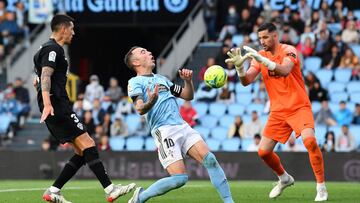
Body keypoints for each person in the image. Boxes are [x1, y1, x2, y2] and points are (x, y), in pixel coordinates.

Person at [33, 14, 135, 203]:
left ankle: (54, 190)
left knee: (82, 152)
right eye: (71, 28)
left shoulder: (44, 49)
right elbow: (45, 76)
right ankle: (110, 189)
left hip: (55, 106)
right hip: (57, 107)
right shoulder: (54, 49)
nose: (73, 32)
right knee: (88, 144)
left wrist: (42, 93)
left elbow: (38, 79)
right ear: (63, 29)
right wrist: (47, 103)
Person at [225, 23, 328, 201]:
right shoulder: (259, 56)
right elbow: (246, 80)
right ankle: (284, 178)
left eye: (265, 37)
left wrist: (263, 60)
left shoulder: (289, 50)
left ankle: (321, 187)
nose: (262, 41)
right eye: (260, 38)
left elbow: (285, 70)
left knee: (309, 141)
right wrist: (240, 68)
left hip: (299, 106)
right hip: (278, 111)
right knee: (263, 152)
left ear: (275, 35)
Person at [124, 46, 234, 203]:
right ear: (135, 62)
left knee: (210, 160)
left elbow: (188, 96)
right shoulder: (135, 82)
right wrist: (151, 101)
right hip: (164, 131)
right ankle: (141, 197)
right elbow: (140, 108)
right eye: (143, 52)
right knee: (180, 179)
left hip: (182, 126)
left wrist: (188, 82)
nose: (149, 53)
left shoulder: (163, 79)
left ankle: (229, 201)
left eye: (148, 50)